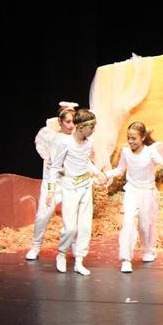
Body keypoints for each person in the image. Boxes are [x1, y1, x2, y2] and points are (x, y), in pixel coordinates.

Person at [47, 108, 105, 276]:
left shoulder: (88, 143)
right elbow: (55, 167)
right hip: (70, 188)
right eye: (91, 127)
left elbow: (86, 162)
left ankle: (79, 260)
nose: (93, 130)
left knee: (85, 226)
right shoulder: (66, 143)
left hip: (86, 186)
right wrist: (51, 191)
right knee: (71, 227)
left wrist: (97, 172)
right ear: (80, 127)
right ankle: (62, 253)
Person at [104, 121, 163, 273]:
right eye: (128, 138)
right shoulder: (125, 152)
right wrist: (105, 175)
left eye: (134, 138)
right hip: (131, 191)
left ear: (143, 137)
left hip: (147, 192)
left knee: (145, 225)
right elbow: (120, 169)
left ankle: (148, 250)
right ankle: (126, 258)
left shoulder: (150, 151)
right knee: (128, 222)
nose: (130, 141)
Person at [26, 101, 77, 260]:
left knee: (73, 218)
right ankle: (36, 245)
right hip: (52, 183)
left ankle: (76, 248)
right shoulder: (48, 135)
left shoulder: (78, 137)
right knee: (43, 215)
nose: (71, 125)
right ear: (60, 120)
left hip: (69, 183)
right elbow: (48, 158)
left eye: (73, 121)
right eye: (67, 120)